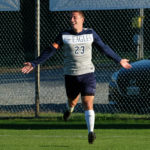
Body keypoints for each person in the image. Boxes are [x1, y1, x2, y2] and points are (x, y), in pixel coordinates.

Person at [21, 11, 132, 144]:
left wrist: (119, 60)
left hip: (87, 74)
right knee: (73, 102)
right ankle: (70, 109)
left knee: (87, 103)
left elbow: (104, 48)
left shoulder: (90, 33)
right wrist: (34, 63)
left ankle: (91, 132)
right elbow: (51, 50)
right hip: (71, 75)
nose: (72, 20)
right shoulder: (64, 35)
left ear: (82, 19)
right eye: (70, 18)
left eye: (75, 17)